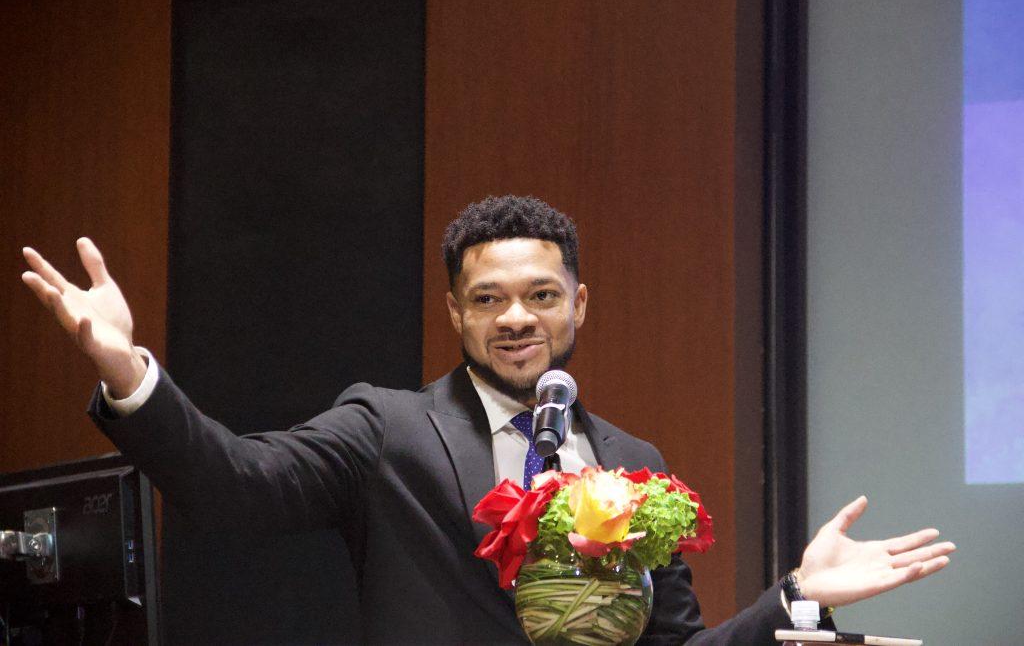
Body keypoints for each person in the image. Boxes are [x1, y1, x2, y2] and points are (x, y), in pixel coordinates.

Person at [21, 196, 953, 644]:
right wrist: (127, 370)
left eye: (543, 294)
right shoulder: (385, 430)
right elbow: (232, 485)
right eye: (490, 298)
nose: (517, 317)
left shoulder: (631, 460)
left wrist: (795, 595)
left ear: (580, 305)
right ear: (456, 314)